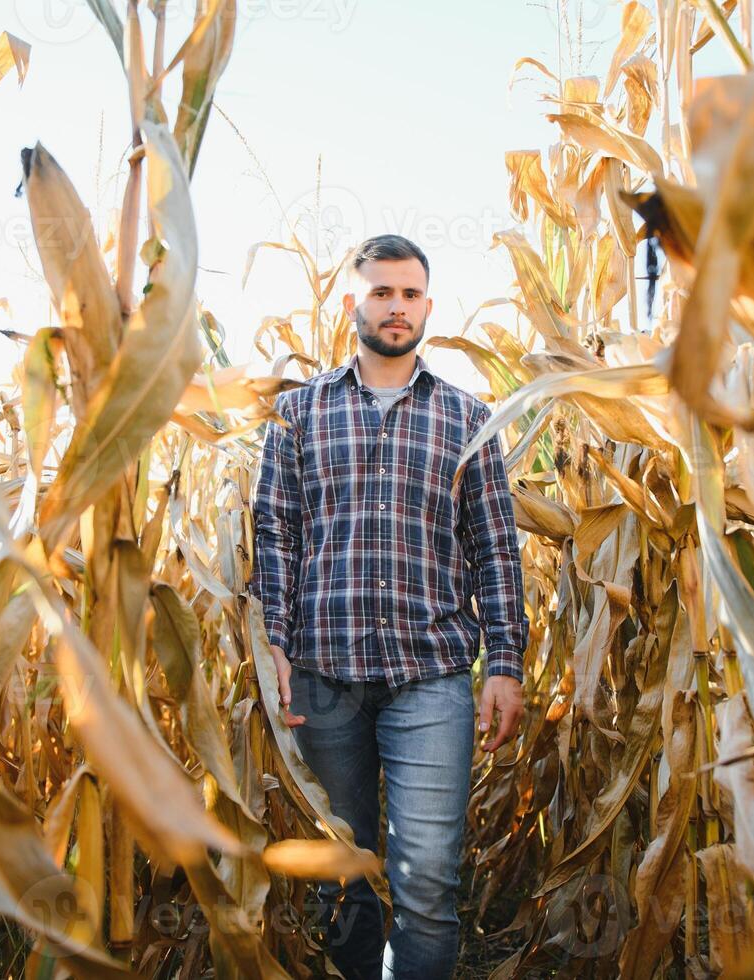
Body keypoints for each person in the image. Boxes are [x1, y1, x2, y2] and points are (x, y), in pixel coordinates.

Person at [248, 233, 530, 979]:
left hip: (430, 678)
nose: (395, 307)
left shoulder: (470, 418)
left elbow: (495, 549)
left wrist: (503, 664)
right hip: (322, 674)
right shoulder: (298, 415)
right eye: (381, 292)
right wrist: (272, 640)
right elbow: (273, 532)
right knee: (346, 879)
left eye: (409, 294)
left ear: (427, 307)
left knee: (428, 880)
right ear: (353, 304)